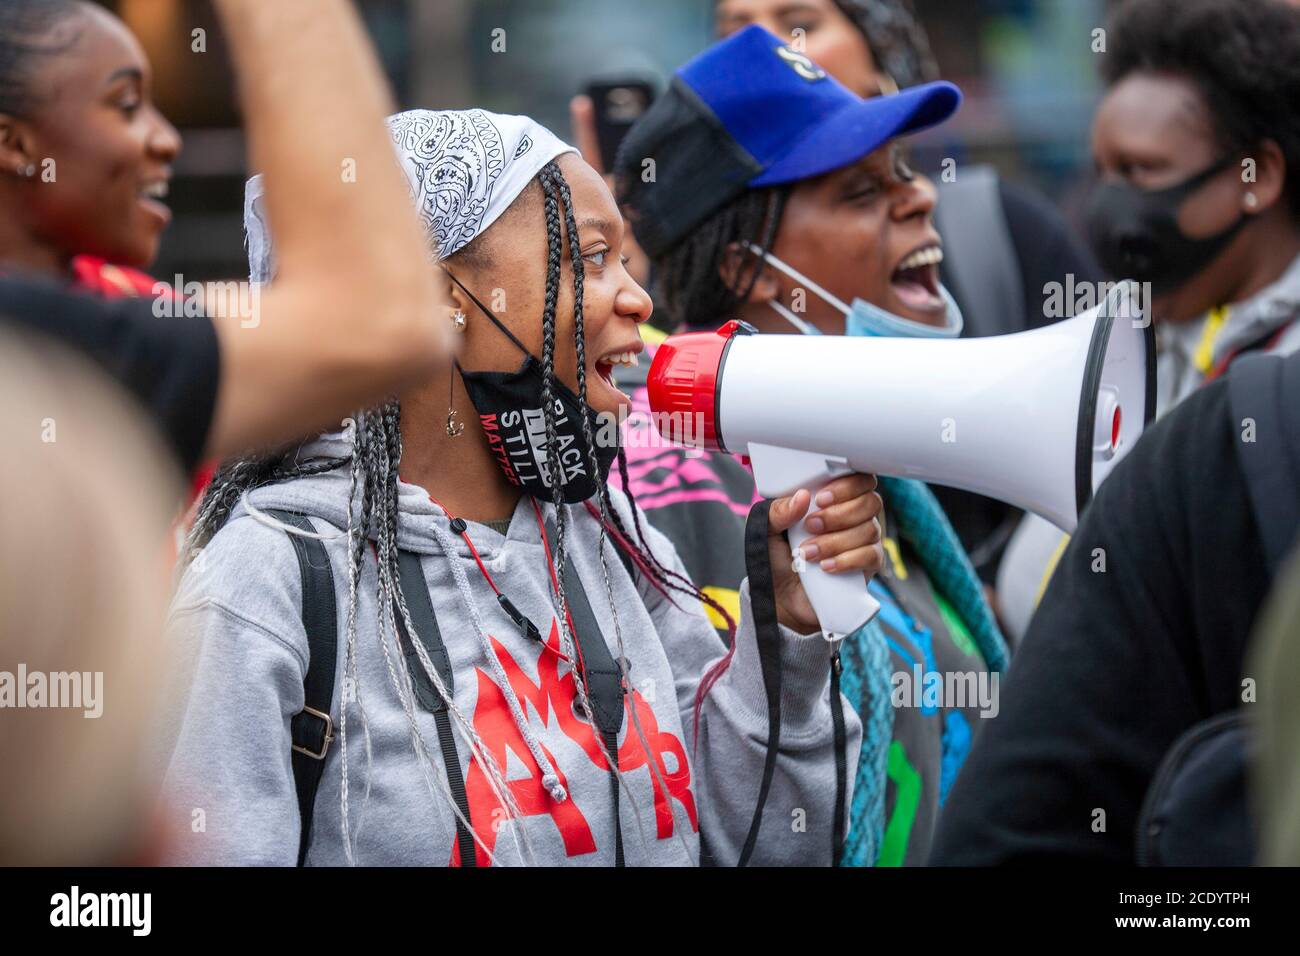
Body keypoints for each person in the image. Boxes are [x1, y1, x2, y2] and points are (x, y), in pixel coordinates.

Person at [159, 107, 883, 867]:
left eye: (626, 262)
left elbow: (759, 845)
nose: (639, 299)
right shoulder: (267, 584)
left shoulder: (609, 538)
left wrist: (789, 644)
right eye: (593, 257)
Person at [615, 25, 1006, 867]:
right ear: (750, 268)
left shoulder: (852, 455)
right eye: (862, 192)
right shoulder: (670, 483)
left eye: (903, 172)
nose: (920, 198)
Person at [709, 0, 1105, 581]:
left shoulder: (1001, 233)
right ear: (745, 267)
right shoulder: (689, 433)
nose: (767, 50)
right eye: (736, 34)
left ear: (880, 58)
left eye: (801, 24)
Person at [0, 0, 457, 469]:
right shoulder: (57, 333)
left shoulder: (136, 307)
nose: (167, 140)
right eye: (127, 105)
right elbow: (379, 324)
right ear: (12, 143)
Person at [996, 0, 1300, 643]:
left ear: (1259, 176)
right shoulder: (1128, 341)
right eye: (1101, 172)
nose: (1108, 207)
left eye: (1141, 171)